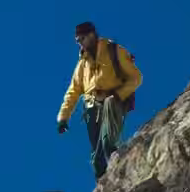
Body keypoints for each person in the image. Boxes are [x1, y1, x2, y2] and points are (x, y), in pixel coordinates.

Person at [57, 21, 142, 181]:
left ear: (92, 35)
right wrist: (63, 118)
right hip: (91, 109)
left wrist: (118, 95)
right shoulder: (82, 64)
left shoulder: (114, 51)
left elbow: (136, 78)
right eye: (77, 40)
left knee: (107, 143)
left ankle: (120, 177)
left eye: (82, 38)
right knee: (97, 158)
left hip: (113, 103)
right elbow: (73, 91)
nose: (80, 43)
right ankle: (104, 188)